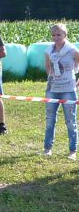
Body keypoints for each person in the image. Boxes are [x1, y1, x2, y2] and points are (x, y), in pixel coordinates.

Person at [42, 23, 79, 160]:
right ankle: (47, 148)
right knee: (50, 119)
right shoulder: (48, 51)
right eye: (53, 35)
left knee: (70, 121)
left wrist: (77, 83)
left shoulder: (72, 51)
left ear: (65, 35)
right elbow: (47, 67)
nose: (56, 37)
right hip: (52, 89)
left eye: (59, 34)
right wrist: (53, 77)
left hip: (68, 89)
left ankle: (72, 151)